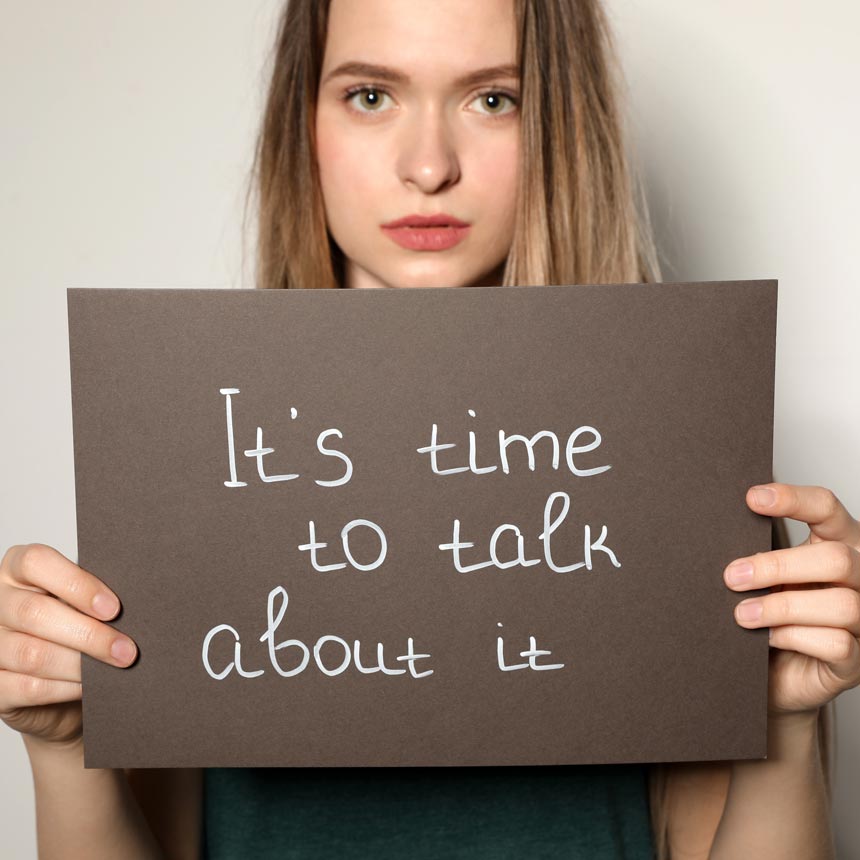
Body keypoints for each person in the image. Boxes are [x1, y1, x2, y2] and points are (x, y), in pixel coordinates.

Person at [1, 0, 857, 857]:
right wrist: (63, 746)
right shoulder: (192, 461)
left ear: (560, 123)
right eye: (371, 95)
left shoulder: (684, 485)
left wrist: (781, 726)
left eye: (494, 100)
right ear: (303, 121)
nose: (428, 166)